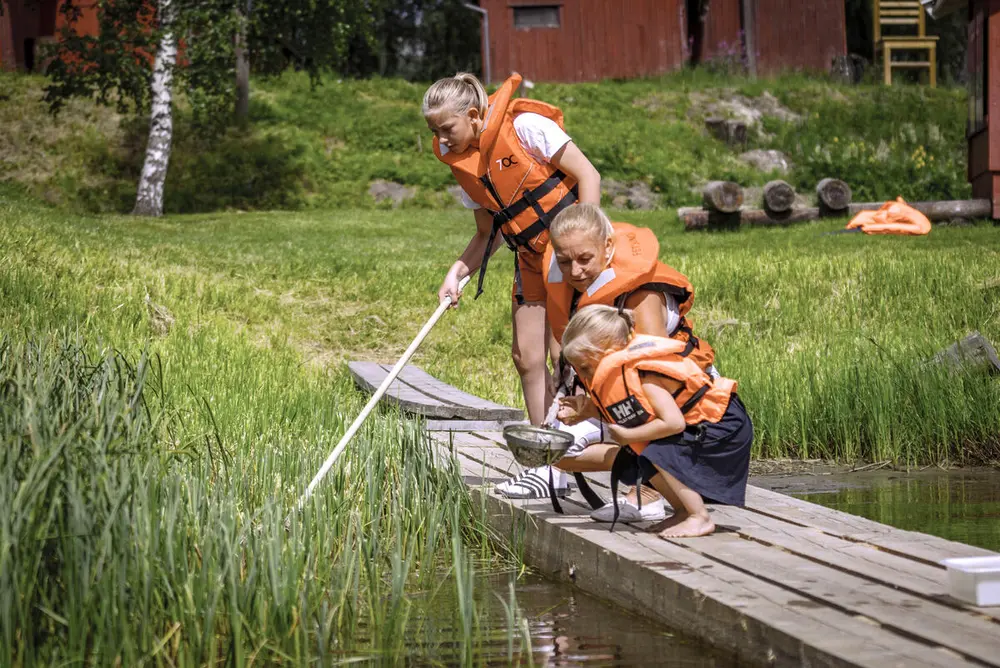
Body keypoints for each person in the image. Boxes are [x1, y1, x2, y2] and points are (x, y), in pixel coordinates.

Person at [496, 204, 716, 523]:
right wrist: (581, 404)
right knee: (560, 452)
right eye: (565, 261)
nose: (575, 271)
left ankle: (649, 493)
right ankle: (654, 472)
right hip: (621, 398)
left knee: (637, 411)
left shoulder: (641, 294)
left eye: (585, 259)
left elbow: (652, 377)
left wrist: (600, 410)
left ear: (608, 246)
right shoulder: (574, 286)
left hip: (680, 402)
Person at [423, 72, 601, 427]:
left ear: (473, 116)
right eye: (435, 132)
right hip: (530, 259)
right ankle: (545, 453)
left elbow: (589, 176)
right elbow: (486, 234)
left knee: (562, 352)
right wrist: (456, 273)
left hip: (569, 253)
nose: (441, 140)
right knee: (526, 355)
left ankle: (585, 442)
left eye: (447, 128)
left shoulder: (525, 127)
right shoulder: (467, 168)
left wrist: (585, 243)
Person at [559, 305, 753, 537]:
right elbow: (636, 414)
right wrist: (587, 411)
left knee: (656, 452)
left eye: (585, 367)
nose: (585, 376)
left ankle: (699, 516)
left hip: (721, 425)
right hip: (698, 425)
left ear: (610, 351)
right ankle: (682, 511)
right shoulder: (620, 374)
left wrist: (628, 436)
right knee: (638, 456)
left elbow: (673, 424)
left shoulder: (644, 375)